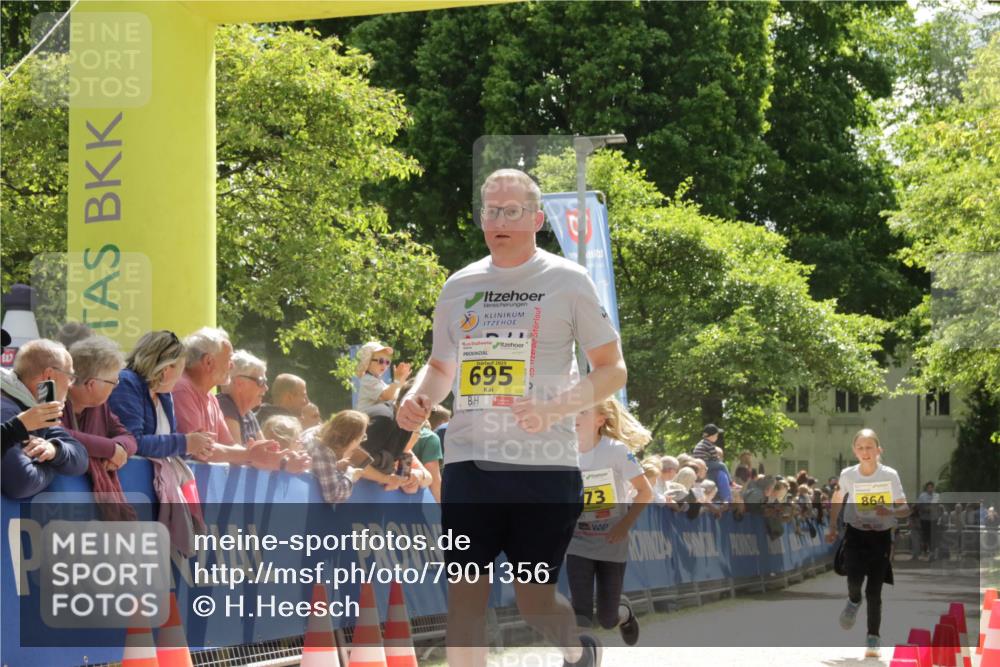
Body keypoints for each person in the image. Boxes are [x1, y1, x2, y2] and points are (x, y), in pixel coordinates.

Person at [397, 168, 625, 667]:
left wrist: (553, 408)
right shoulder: (460, 284)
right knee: (465, 597)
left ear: (537, 219)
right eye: (491, 210)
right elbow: (440, 367)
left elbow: (612, 371)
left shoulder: (567, 280)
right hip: (470, 463)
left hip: (543, 467)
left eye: (512, 211)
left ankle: (575, 649)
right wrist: (417, 399)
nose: (499, 220)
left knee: (534, 600)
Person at [567, 398, 652, 645]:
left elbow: (645, 492)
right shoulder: (563, 452)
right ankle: (579, 658)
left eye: (581, 410)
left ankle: (624, 613)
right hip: (578, 540)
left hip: (611, 538)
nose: (574, 416)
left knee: (606, 618)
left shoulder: (615, 450)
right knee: (580, 609)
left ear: (599, 420)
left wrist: (623, 525)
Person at [826, 428, 909, 659]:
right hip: (855, 535)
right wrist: (832, 526)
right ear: (855, 451)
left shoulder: (889, 475)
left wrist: (889, 509)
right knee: (854, 581)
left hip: (880, 538)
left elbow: (905, 508)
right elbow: (837, 498)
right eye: (860, 448)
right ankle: (853, 600)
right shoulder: (848, 474)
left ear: (878, 450)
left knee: (874, 591)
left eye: (869, 447)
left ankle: (873, 637)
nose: (865, 452)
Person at [173, 327, 303, 471]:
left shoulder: (211, 398)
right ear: (208, 362)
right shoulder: (182, 389)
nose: (232, 365)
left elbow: (229, 445)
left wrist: (270, 457)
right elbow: (200, 451)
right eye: (229, 359)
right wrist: (250, 454)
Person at [61, 336, 138, 520]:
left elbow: (128, 437)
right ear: (91, 384)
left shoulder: (99, 406)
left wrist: (120, 450)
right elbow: (55, 433)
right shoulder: (53, 395)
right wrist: (110, 449)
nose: (115, 387)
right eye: (113, 382)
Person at [0, 339, 88, 498]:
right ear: (49, 376)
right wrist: (53, 464)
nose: (71, 385)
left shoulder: (35, 407)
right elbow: (21, 483)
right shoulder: (5, 410)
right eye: (70, 376)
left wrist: (54, 450)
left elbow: (81, 458)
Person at [108, 330, 213, 460]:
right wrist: (184, 443)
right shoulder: (126, 382)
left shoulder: (164, 394)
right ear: (166, 368)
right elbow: (132, 442)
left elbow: (165, 448)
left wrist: (192, 447)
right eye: (182, 367)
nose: (181, 376)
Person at [302, 410, 369, 505]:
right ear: (352, 439)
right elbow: (333, 496)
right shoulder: (324, 452)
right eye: (362, 437)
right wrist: (350, 476)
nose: (360, 442)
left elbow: (314, 468)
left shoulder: (312, 434)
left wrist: (335, 466)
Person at [217, 350, 267, 445]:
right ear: (240, 383)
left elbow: (267, 451)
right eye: (261, 382)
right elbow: (235, 457)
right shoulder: (224, 406)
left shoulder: (248, 413)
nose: (266, 388)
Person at [355, 342, 411, 412]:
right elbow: (387, 396)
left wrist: (401, 380)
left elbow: (394, 395)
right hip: (367, 420)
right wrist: (397, 380)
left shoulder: (377, 380)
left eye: (387, 362)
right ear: (368, 361)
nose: (385, 365)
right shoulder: (367, 380)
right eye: (381, 361)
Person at [915, 481, 940, 560]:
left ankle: (933, 553)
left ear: (933, 488)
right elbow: (919, 506)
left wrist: (931, 508)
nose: (930, 489)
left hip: (934, 519)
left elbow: (937, 506)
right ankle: (926, 551)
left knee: (933, 536)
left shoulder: (937, 495)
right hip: (924, 519)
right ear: (926, 488)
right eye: (928, 487)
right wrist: (926, 508)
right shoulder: (922, 496)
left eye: (931, 487)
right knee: (926, 536)